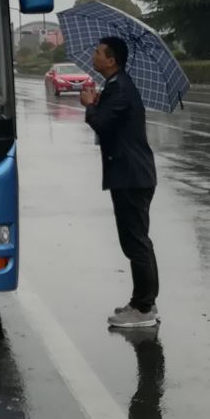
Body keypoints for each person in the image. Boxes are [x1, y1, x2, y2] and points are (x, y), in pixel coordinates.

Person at [80, 35, 159, 328]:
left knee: (135, 243)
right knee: (139, 242)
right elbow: (111, 125)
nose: (94, 55)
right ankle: (145, 300)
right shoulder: (117, 87)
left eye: (99, 52)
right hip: (133, 174)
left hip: (130, 176)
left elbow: (102, 125)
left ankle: (143, 308)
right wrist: (99, 104)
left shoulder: (120, 88)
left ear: (112, 60)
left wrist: (89, 105)